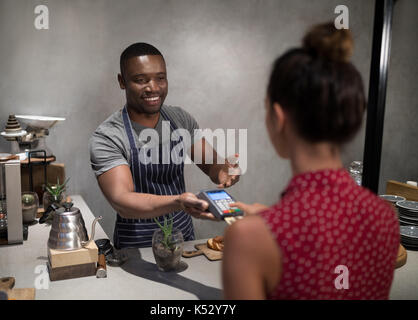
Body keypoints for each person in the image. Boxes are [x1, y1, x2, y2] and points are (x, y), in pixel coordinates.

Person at [223, 22, 399, 299]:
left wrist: (263, 222)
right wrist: (262, 215)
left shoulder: (248, 239)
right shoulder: (385, 217)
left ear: (279, 118)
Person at [89, 43, 239, 248]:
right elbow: (122, 201)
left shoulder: (180, 120)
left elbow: (212, 166)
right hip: (137, 248)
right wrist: (178, 202)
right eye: (141, 80)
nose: (153, 87)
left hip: (182, 239)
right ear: (122, 81)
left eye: (160, 78)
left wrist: (224, 171)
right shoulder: (109, 136)